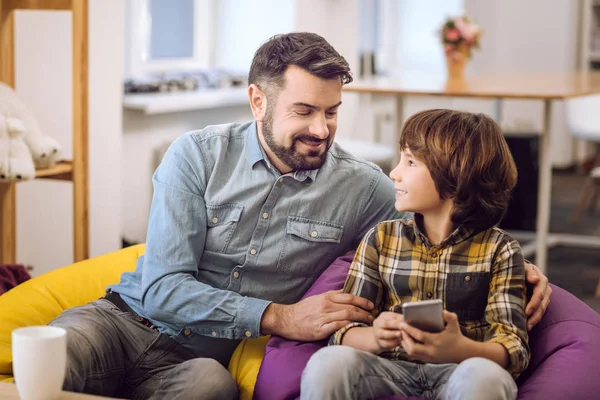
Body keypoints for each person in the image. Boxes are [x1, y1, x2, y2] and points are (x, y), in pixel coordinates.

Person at [48, 33, 551, 399]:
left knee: (209, 391)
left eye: (332, 112)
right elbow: (162, 287)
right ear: (257, 100)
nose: (321, 128)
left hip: (202, 359)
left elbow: (442, 227)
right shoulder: (195, 156)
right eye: (304, 110)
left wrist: (525, 272)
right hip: (121, 320)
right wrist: (279, 317)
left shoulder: (364, 189)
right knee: (53, 353)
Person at [301, 109, 532, 400]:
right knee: (327, 363)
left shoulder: (500, 250)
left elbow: (514, 347)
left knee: (485, 377)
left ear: (455, 175)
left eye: (410, 162)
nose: (394, 173)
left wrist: (460, 348)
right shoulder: (381, 239)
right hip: (387, 368)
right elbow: (343, 331)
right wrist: (374, 336)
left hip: (460, 371)